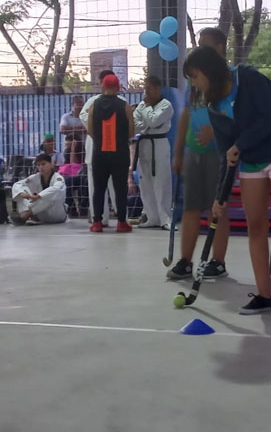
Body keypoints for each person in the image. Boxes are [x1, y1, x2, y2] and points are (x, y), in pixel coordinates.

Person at [183, 45, 271, 317]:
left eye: (195, 76)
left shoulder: (249, 78)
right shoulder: (213, 104)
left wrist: (240, 144)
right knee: (256, 228)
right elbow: (225, 154)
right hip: (251, 162)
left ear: (209, 70)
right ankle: (265, 295)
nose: (194, 84)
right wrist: (219, 197)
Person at [169, 27, 233, 280]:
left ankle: (218, 260)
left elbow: (236, 116)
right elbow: (185, 114)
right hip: (194, 151)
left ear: (220, 48)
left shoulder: (229, 79)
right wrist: (178, 151)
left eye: (206, 44)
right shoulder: (194, 82)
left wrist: (216, 133)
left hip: (219, 152)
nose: (200, 49)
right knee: (191, 207)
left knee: (218, 208)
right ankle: (185, 260)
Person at [88, 74, 134, 233]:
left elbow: (90, 130)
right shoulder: (125, 106)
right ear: (118, 87)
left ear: (103, 87)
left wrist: (100, 140)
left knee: (98, 189)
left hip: (99, 154)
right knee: (120, 188)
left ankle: (97, 223)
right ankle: (122, 222)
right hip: (120, 153)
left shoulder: (94, 105)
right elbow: (131, 132)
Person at [80, 70, 121, 227]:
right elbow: (84, 117)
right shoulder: (92, 101)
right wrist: (98, 131)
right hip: (96, 149)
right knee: (97, 187)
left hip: (113, 149)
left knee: (114, 185)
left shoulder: (120, 101)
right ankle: (100, 218)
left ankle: (120, 215)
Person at [133, 75, 175, 230]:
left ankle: (165, 219)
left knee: (162, 181)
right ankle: (152, 217)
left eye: (149, 88)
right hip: (144, 143)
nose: (146, 92)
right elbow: (136, 125)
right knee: (145, 182)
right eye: (145, 89)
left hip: (160, 144)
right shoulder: (142, 105)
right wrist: (147, 123)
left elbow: (154, 121)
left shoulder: (166, 105)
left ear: (157, 88)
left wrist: (147, 112)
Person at [11, 153, 67, 225]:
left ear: (51, 164)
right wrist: (22, 193)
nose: (41, 167)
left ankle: (26, 215)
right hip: (41, 215)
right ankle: (25, 212)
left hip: (57, 215)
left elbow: (57, 189)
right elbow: (18, 184)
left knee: (50, 195)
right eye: (38, 165)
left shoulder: (58, 178)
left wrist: (38, 196)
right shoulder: (35, 177)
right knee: (21, 188)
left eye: (43, 164)